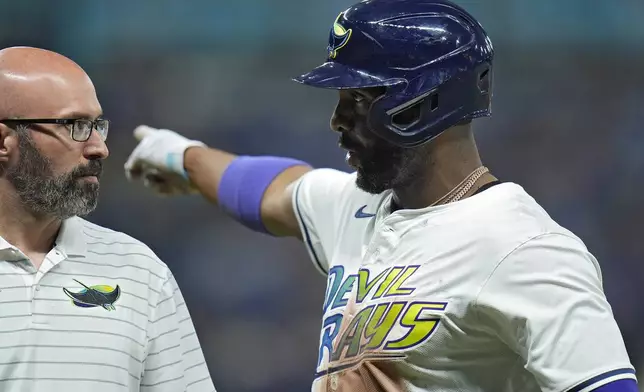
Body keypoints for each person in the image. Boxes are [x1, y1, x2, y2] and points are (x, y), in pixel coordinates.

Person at [124, 0, 637, 391]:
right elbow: (268, 189)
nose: (337, 122)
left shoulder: (525, 250)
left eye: (358, 101)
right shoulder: (357, 206)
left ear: (425, 103)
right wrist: (179, 156)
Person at [0, 46, 215, 392]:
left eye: (98, 125)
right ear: (3, 141)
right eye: (76, 125)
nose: (99, 147)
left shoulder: (140, 270)